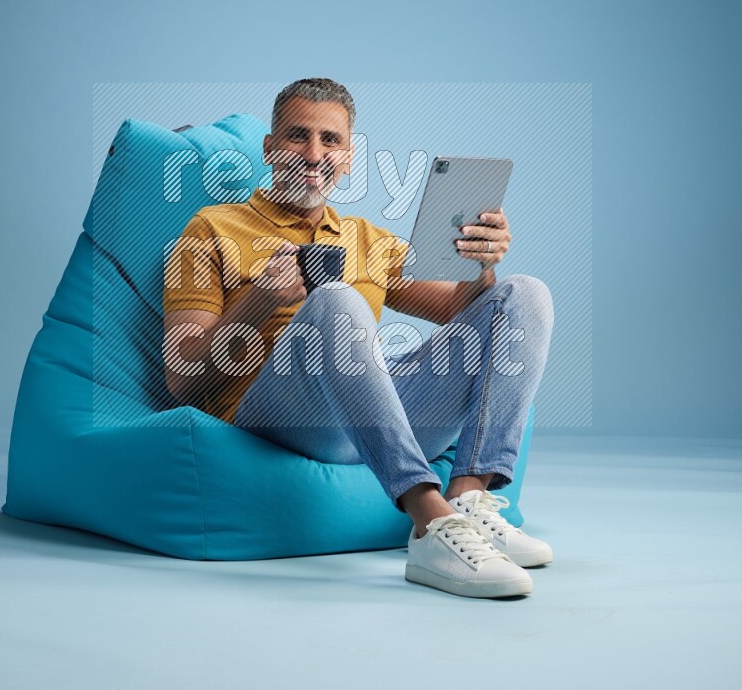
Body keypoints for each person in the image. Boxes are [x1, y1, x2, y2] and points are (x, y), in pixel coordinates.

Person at [162, 78, 555, 599]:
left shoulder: (367, 239)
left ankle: (468, 498)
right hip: (283, 420)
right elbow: (181, 381)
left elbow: (461, 311)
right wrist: (259, 300)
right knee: (337, 300)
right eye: (297, 136)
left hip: (372, 421)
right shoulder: (211, 229)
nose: (313, 153)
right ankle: (430, 523)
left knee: (523, 293)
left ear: (348, 157)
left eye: (330, 141)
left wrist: (481, 265)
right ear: (270, 148)